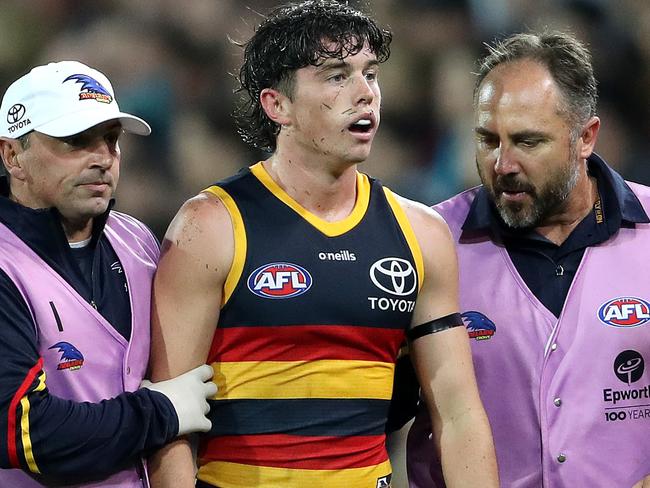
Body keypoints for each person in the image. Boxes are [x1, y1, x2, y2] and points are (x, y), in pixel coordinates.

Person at [147, 1, 498, 487]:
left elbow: (458, 415)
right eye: (336, 76)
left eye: (370, 74)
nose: (365, 94)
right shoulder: (210, 227)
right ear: (278, 105)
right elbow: (168, 417)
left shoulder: (420, 233)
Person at [405, 31, 650, 488]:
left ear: (585, 138)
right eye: (487, 140)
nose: (503, 164)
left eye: (528, 141)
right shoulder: (426, 243)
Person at [0, 60, 217, 487]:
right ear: (13, 155)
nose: (102, 158)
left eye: (111, 140)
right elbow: (21, 433)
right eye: (76, 141)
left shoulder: (138, 240)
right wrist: (160, 413)